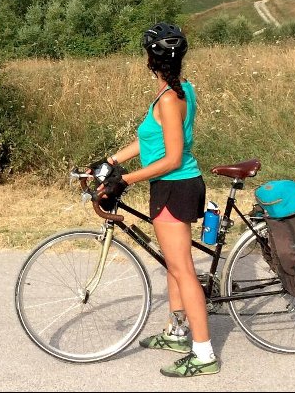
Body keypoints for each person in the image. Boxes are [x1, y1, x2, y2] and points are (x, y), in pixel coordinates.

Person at [93, 22, 220, 377]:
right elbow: (153, 143)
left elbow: (172, 158)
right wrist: (113, 162)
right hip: (175, 185)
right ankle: (178, 332)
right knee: (173, 264)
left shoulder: (168, 99)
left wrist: (125, 180)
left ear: (151, 59)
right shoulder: (182, 90)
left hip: (175, 186)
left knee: (183, 270)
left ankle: (204, 353)